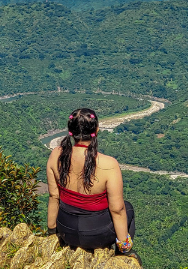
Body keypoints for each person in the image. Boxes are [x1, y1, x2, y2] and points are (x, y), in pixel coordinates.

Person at [46, 108, 135, 254]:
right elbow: (117, 210)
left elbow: (54, 196)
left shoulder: (56, 155)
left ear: (70, 130)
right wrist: (126, 249)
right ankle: (123, 251)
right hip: (96, 235)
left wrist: (52, 231)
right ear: (97, 130)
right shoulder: (109, 164)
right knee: (127, 208)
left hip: (66, 231)